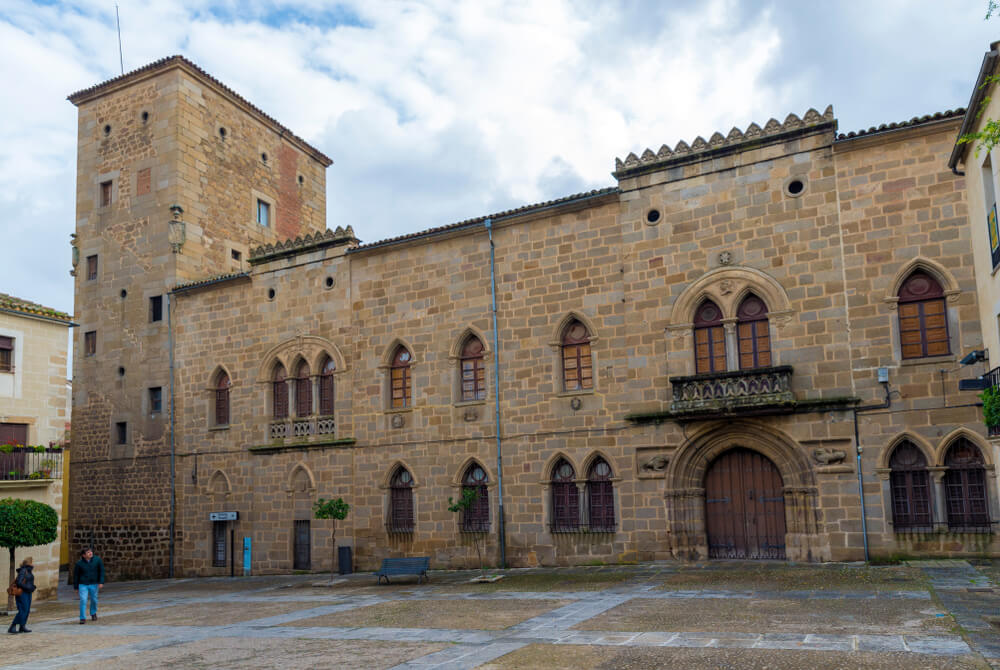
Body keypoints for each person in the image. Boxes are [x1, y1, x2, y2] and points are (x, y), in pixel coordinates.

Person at [73, 547, 105, 624]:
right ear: (84, 555)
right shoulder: (79, 564)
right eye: (88, 552)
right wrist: (76, 587)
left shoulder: (97, 560)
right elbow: (76, 576)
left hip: (94, 584)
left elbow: (102, 571)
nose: (90, 553)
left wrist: (101, 582)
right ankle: (82, 618)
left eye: (91, 551)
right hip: (83, 584)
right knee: (83, 600)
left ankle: (93, 613)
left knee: (94, 600)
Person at [7, 556, 35, 634]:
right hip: (22, 593)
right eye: (33, 562)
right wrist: (28, 587)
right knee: (23, 610)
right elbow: (19, 582)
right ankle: (12, 626)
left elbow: (28, 581)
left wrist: (31, 587)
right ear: (29, 563)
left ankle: (22, 626)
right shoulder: (23, 570)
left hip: (28, 593)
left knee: (27, 610)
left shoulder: (29, 571)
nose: (34, 563)